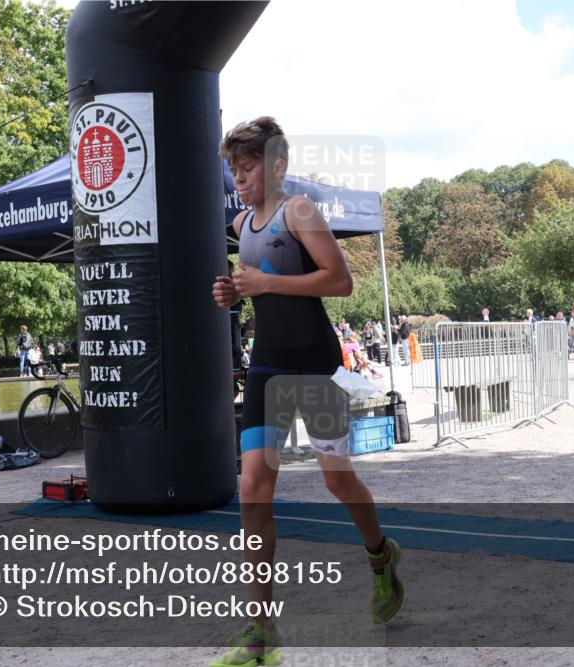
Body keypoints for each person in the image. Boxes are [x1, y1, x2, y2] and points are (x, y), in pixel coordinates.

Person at [211, 117, 402, 666]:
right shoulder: (243, 223)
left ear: (276, 166)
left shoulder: (299, 211)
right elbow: (262, 289)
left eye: (245, 167)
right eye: (232, 169)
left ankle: (381, 557)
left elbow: (340, 281)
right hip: (268, 365)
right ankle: (261, 633)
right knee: (252, 489)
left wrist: (265, 282)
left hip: (315, 366)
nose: (237, 178)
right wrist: (232, 292)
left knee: (337, 480)